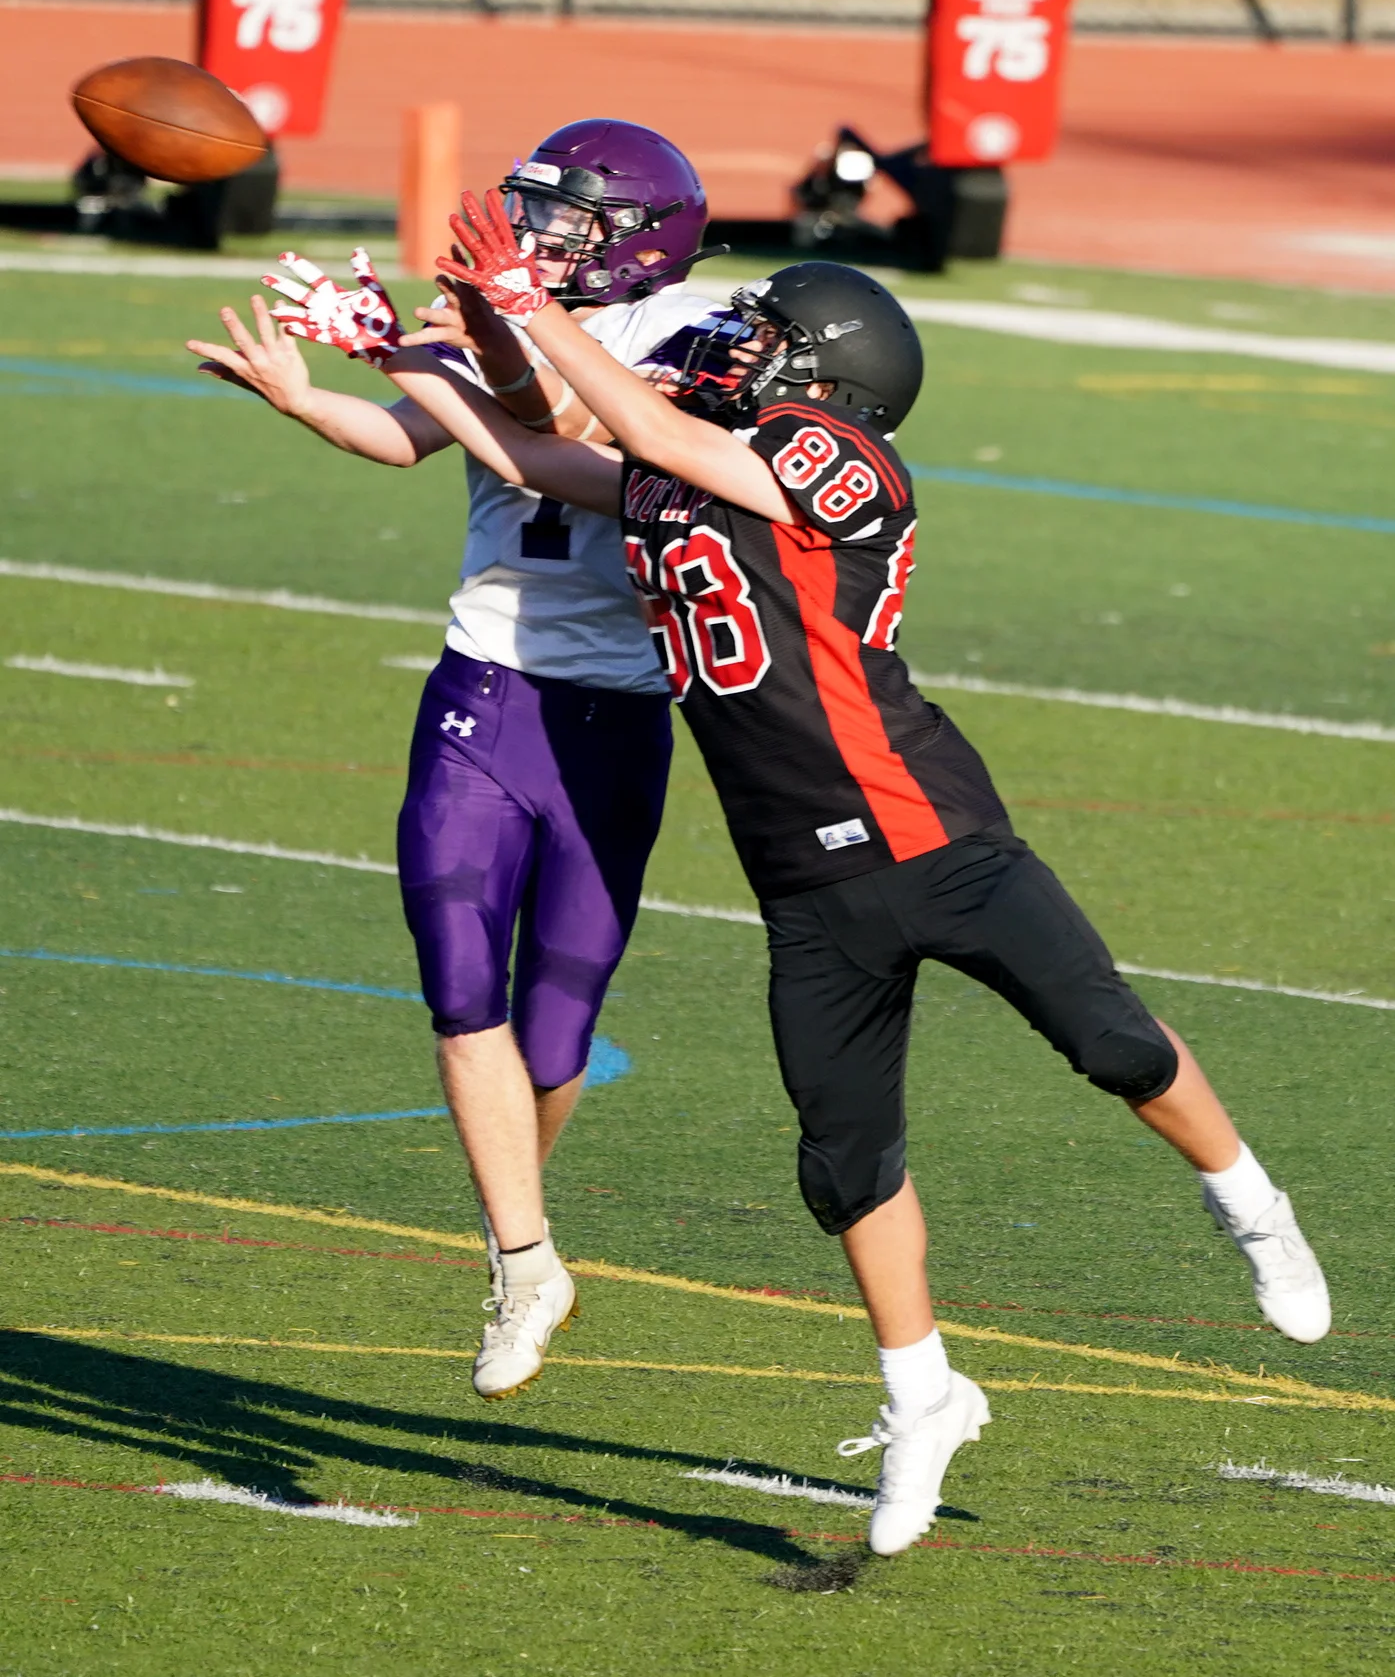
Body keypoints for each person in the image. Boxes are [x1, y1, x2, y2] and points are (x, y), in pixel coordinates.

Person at [376, 187, 1332, 1557]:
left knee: (1111, 1038)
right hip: (801, 882)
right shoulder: (692, 461)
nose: (731, 343)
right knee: (844, 1161)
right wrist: (419, 357)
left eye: (762, 335)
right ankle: (921, 1392)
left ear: (829, 378)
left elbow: (638, 427)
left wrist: (528, 309)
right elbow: (545, 461)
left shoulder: (841, 461)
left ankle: (1250, 1202)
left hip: (932, 835)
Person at [186, 121, 725, 1400]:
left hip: (616, 710)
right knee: (460, 976)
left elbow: (556, 430)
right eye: (530, 213)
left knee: (554, 1041)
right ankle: (526, 1257)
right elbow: (417, 435)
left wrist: (436, 341)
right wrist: (315, 395)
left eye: (566, 220)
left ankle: (512, 1226)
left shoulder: (696, 337)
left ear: (637, 235)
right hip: (483, 682)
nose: (533, 239)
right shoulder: (504, 311)